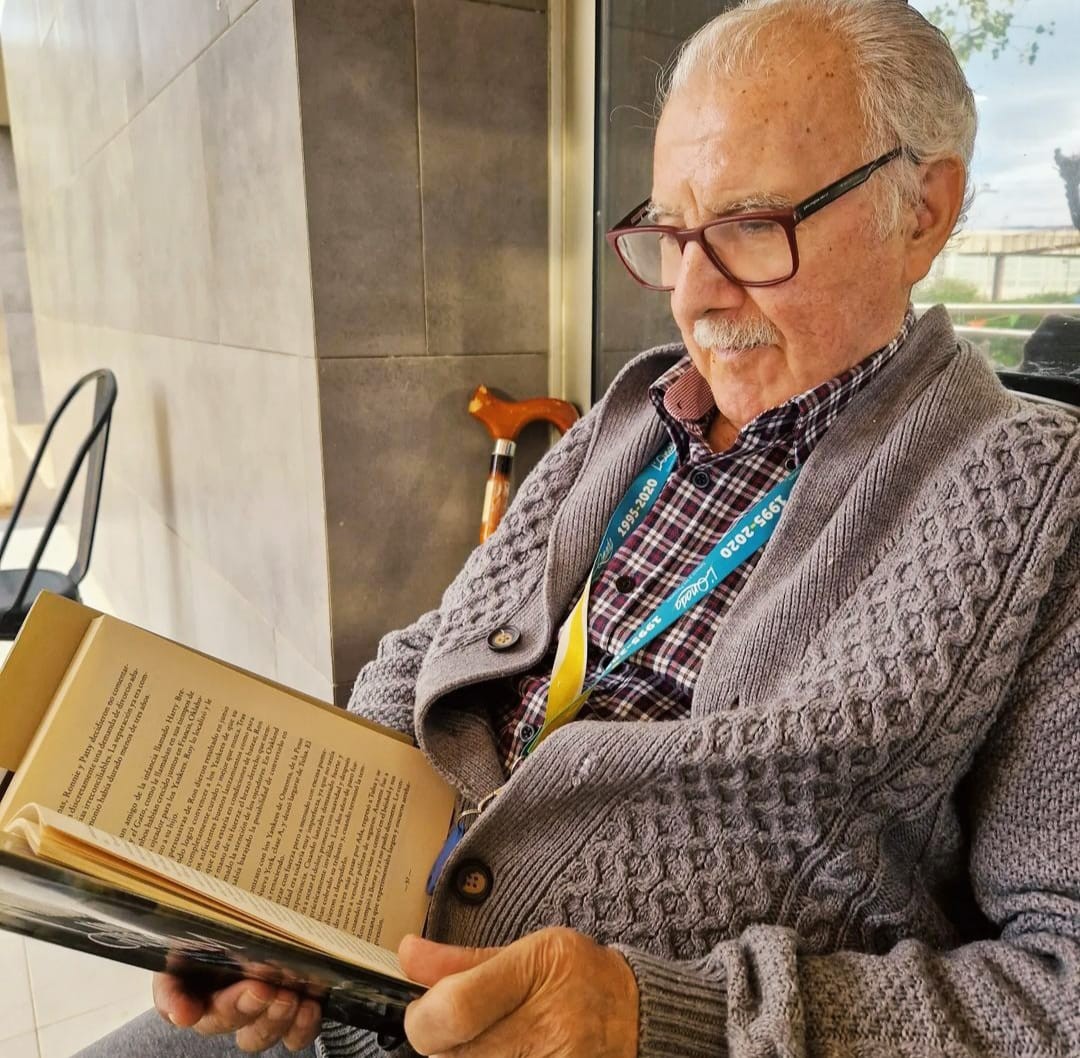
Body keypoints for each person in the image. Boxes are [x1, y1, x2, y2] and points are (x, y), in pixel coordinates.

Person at [82, 0, 1080, 1055]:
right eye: (672, 235)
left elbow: (1061, 989)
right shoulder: (637, 412)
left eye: (751, 227)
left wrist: (663, 1020)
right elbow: (437, 647)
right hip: (359, 986)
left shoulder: (1034, 502)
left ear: (923, 210)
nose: (693, 297)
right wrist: (298, 876)